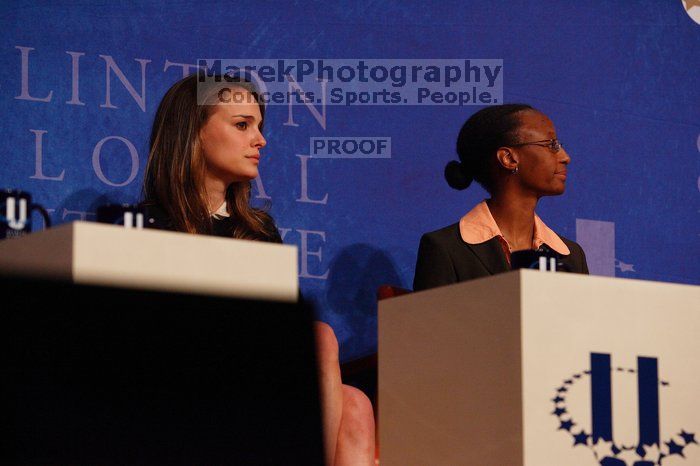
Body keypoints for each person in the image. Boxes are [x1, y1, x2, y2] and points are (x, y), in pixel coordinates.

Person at [141, 73, 375, 465]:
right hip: (186, 378)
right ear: (193, 132)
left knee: (354, 403)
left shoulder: (258, 229)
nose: (260, 140)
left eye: (259, 127)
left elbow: (285, 326)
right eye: (242, 125)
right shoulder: (149, 223)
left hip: (258, 375)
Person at [413, 104, 588, 291]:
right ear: (508, 158)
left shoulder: (571, 256)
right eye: (552, 145)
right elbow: (430, 320)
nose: (565, 157)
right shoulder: (446, 248)